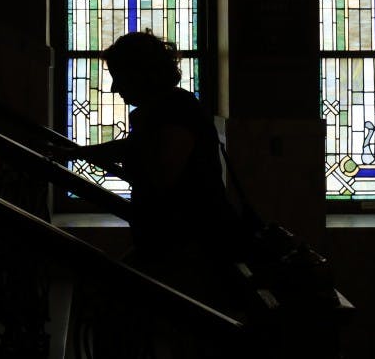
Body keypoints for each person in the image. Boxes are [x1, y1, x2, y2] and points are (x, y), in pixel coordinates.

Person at [49, 30, 242, 309]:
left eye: (118, 76)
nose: (114, 88)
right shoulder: (171, 109)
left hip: (188, 244)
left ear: (140, 74)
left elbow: (161, 175)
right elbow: (137, 149)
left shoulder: (174, 110)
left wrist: (107, 159)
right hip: (183, 240)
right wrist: (78, 154)